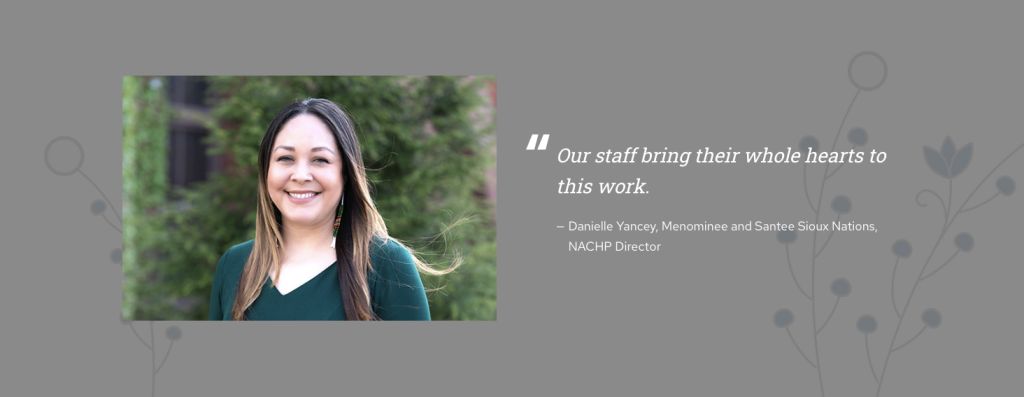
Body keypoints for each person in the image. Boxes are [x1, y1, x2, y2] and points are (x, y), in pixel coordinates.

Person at [208, 98, 458, 320]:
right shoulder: (233, 265)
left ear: (345, 174)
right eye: (285, 158)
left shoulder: (387, 265)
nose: (301, 175)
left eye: (320, 160)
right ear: (266, 171)